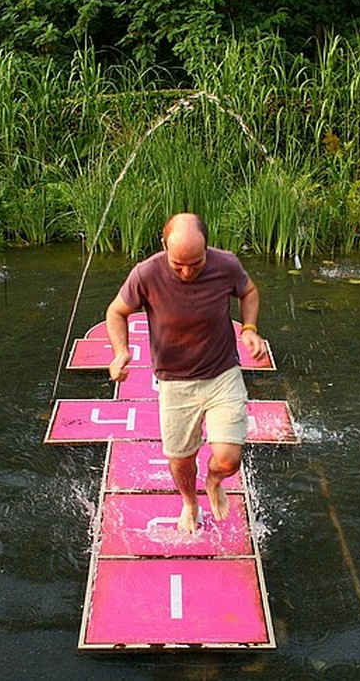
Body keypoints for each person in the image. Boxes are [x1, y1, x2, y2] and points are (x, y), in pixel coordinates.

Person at [106, 213, 267, 534]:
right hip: (174, 381)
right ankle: (189, 502)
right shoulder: (146, 273)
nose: (187, 271)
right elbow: (116, 311)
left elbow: (249, 292)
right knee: (181, 458)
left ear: (208, 247)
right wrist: (120, 352)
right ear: (164, 245)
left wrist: (249, 328)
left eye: (195, 263)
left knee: (228, 459)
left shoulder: (226, 265)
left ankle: (214, 481)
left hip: (222, 374)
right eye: (178, 264)